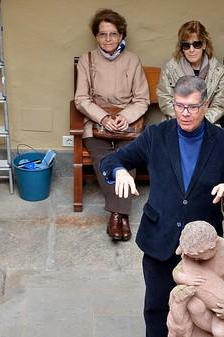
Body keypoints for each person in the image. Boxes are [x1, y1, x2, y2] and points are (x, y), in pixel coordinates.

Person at [99, 76, 224, 337]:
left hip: (203, 249)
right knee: (157, 304)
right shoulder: (155, 135)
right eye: (179, 106)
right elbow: (113, 159)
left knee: (201, 308)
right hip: (160, 236)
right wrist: (119, 171)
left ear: (205, 106)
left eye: (191, 107)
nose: (184, 113)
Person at [74, 9, 150, 241]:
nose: (107, 39)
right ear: (96, 36)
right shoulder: (87, 60)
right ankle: (121, 216)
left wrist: (125, 117)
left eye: (113, 34)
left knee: (129, 158)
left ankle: (117, 216)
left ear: (121, 35)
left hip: (127, 124)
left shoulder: (132, 61)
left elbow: (142, 99)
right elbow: (81, 99)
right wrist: (103, 118)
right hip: (97, 124)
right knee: (104, 159)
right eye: (102, 34)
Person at [156, 20, 224, 124]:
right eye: (186, 45)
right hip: (176, 122)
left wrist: (198, 122)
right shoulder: (170, 68)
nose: (191, 50)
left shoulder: (219, 71)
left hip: (207, 124)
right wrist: (184, 119)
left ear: (204, 45)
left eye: (196, 44)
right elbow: (165, 99)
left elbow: (219, 105)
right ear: (181, 48)